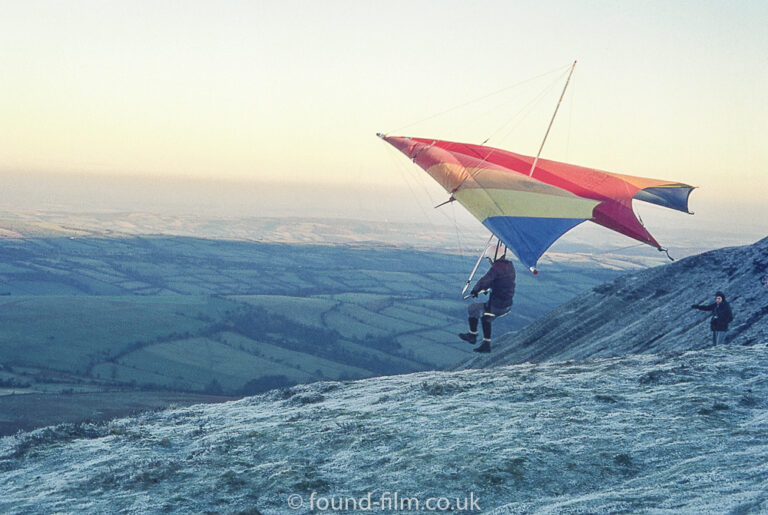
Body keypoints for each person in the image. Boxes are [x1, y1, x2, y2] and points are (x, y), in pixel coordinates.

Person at [459, 247, 516, 353]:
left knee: (482, 314)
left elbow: (485, 280)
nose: (489, 261)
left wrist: (475, 290)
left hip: (498, 306)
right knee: (476, 309)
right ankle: (475, 336)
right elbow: (501, 282)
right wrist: (486, 288)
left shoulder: (497, 267)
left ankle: (481, 341)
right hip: (507, 304)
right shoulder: (509, 266)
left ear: (494, 257)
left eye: (489, 259)